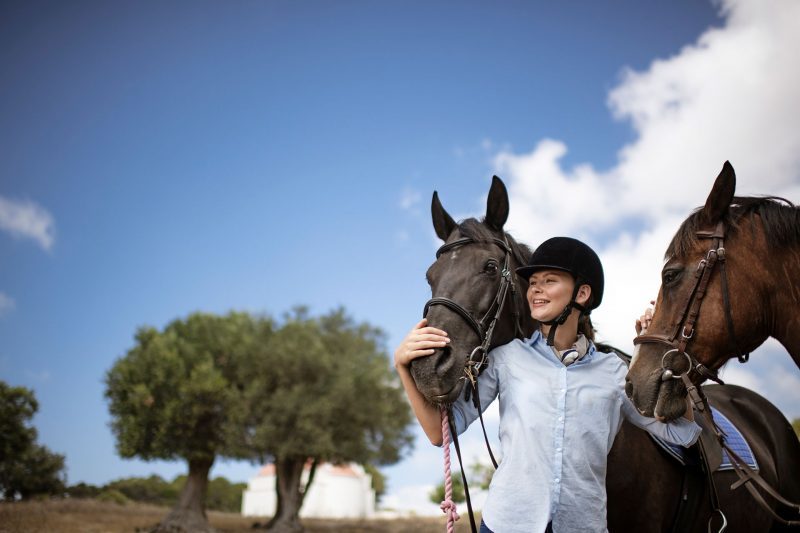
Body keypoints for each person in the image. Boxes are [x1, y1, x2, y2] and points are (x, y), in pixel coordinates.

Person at [394, 237, 701, 533]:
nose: (536, 289)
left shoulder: (615, 372)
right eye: (533, 282)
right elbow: (440, 431)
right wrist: (402, 367)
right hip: (505, 526)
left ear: (581, 295)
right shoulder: (506, 359)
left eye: (550, 281)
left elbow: (680, 432)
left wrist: (669, 354)